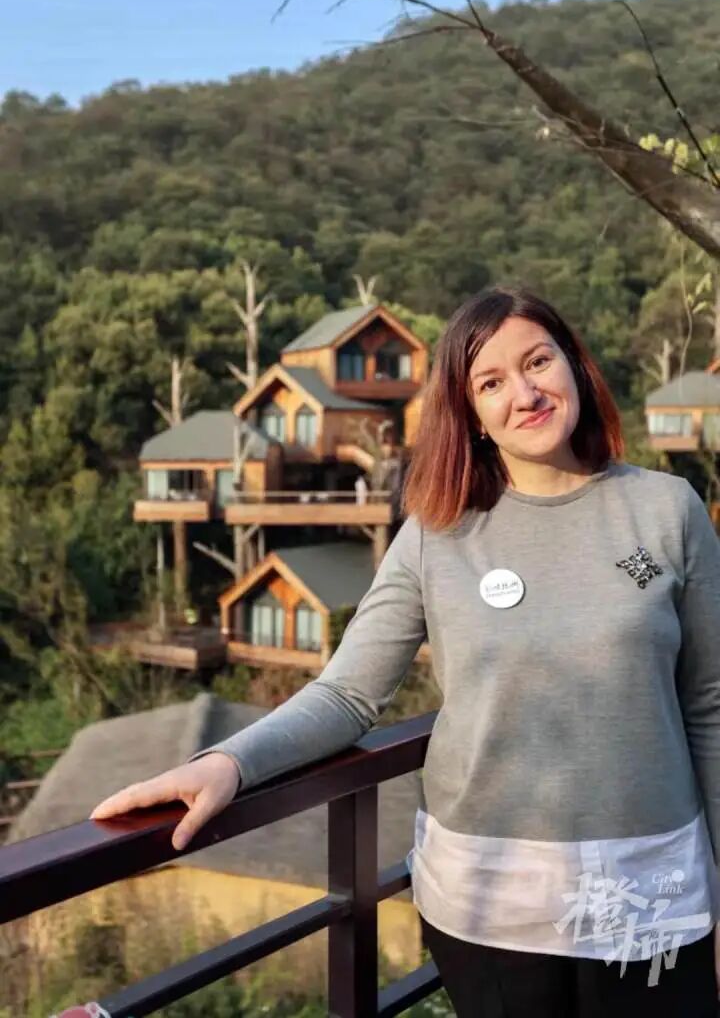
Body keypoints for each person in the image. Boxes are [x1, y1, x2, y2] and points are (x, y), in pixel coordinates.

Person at [91, 285, 720, 1017]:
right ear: (472, 414)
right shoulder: (438, 531)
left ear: (574, 366)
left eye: (537, 362)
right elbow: (348, 693)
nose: (524, 394)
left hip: (647, 889)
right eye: (491, 383)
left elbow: (710, 705)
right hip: (491, 901)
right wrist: (228, 763)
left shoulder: (666, 509)